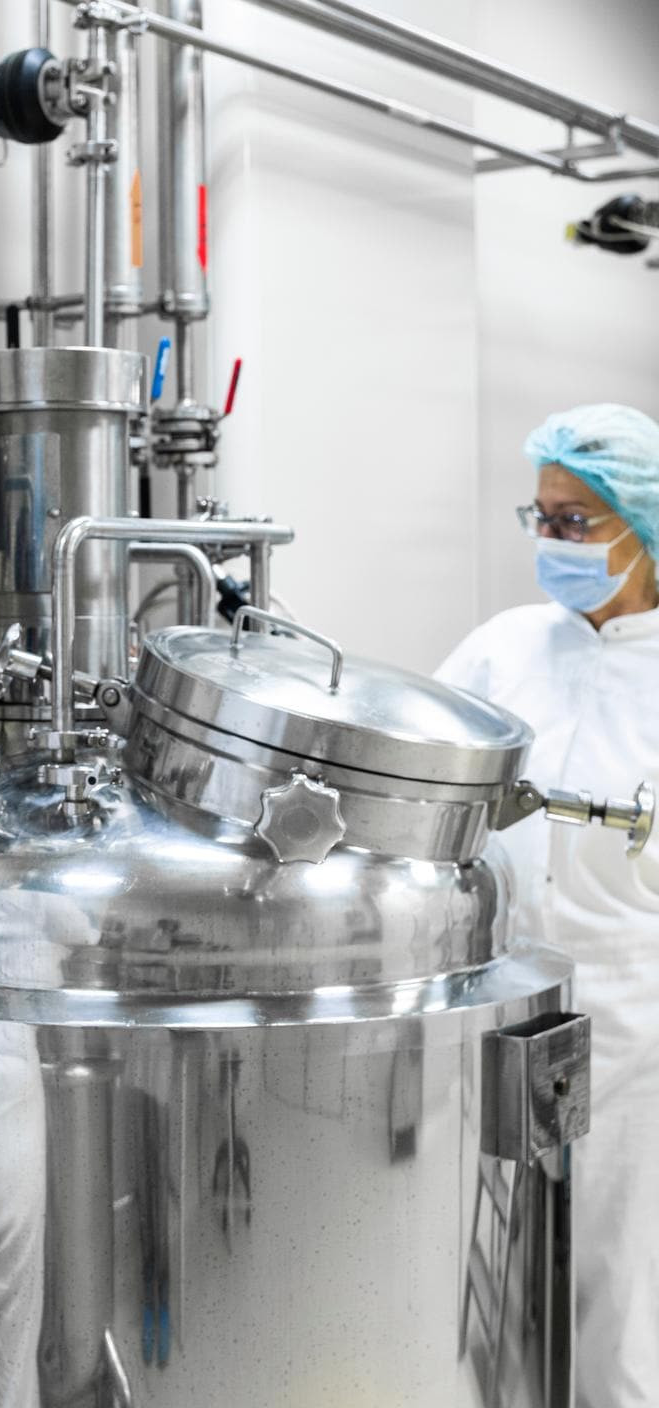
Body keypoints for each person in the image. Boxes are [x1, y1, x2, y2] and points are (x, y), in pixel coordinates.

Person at [436, 402, 659, 1408]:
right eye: (542, 516)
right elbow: (431, 785)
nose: (552, 541)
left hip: (635, 1019)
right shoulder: (506, 646)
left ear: (641, 528)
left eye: (576, 522)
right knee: (484, 1281)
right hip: (499, 999)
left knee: (617, 1295)